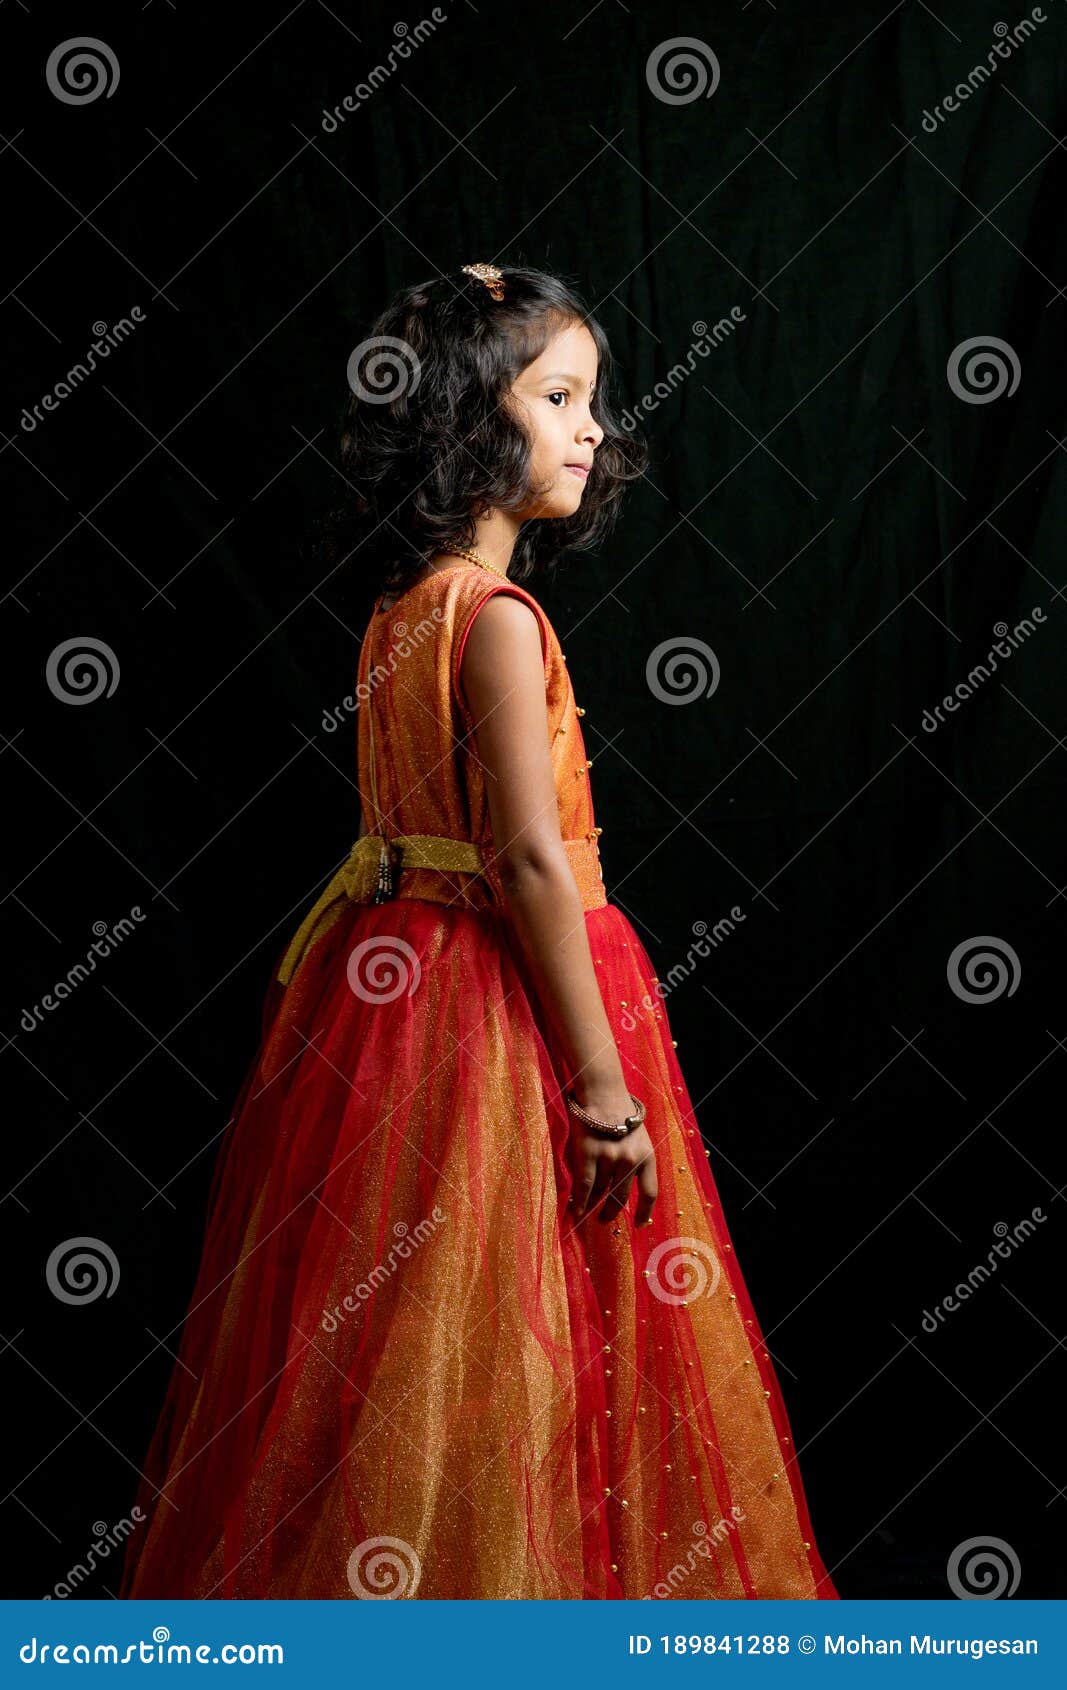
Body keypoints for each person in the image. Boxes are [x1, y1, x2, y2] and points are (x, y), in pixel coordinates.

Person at [118, 263, 837, 1601]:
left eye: (593, 401)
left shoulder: (401, 611)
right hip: (498, 1004)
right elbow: (522, 857)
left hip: (386, 997)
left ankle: (396, 1589)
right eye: (558, 396)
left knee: (393, 1318)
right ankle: (499, 1596)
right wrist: (604, 1082)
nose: (591, 430)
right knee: (505, 1313)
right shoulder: (499, 619)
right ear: (467, 421)